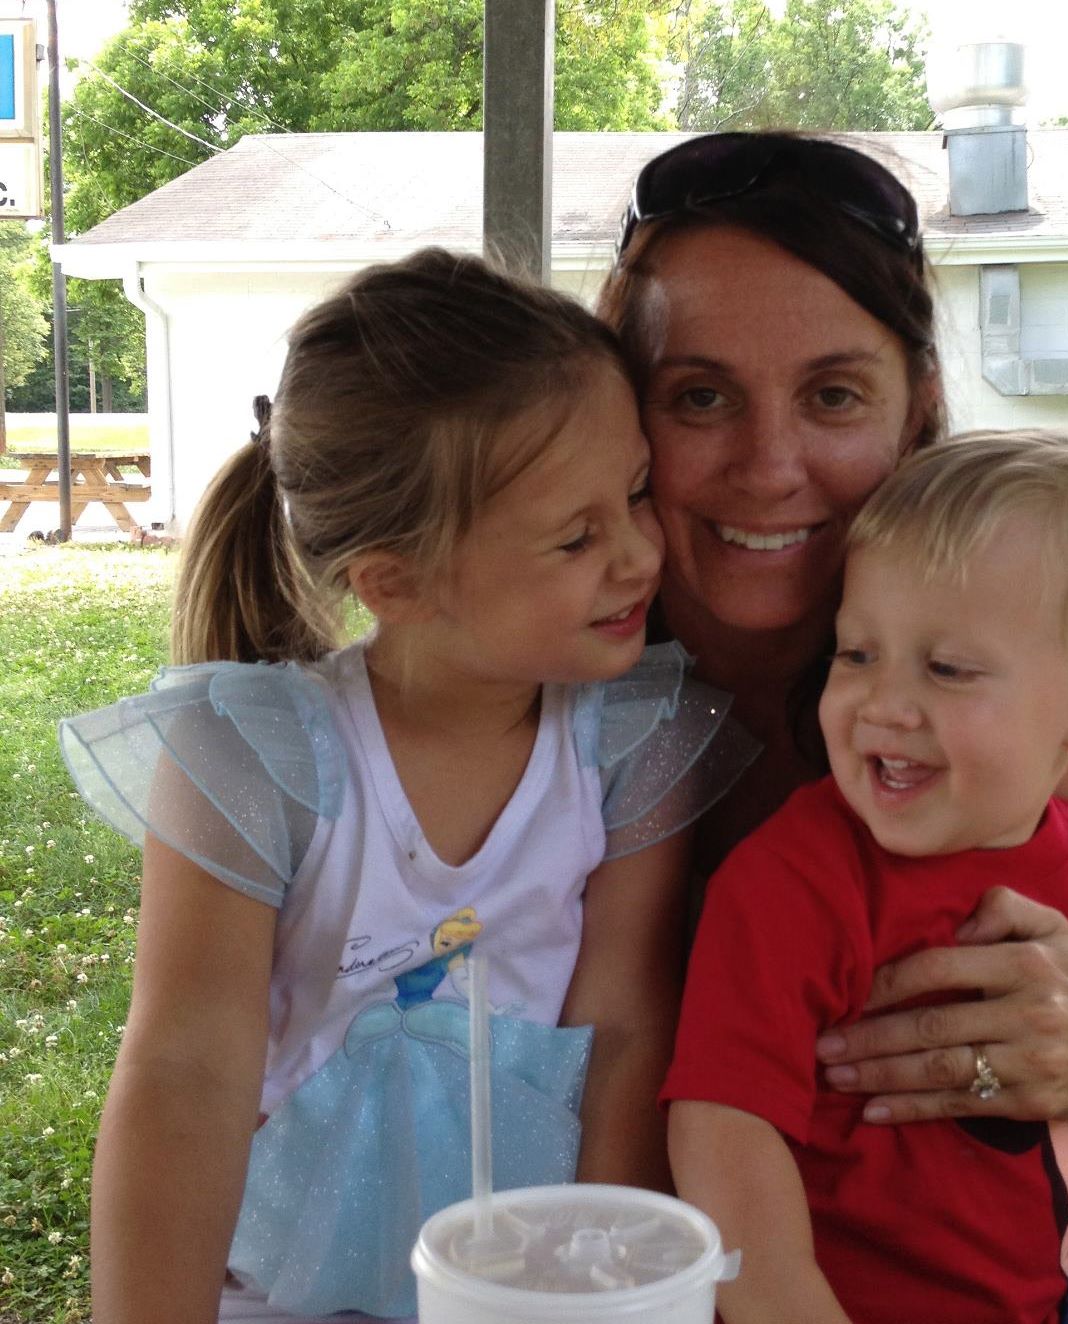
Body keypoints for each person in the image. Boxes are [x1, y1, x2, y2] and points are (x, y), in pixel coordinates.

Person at [599, 132, 1068, 1316]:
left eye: (833, 394)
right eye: (700, 396)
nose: (769, 466)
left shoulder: (1042, 745)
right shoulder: (547, 711)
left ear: (917, 407)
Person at [59, 249, 753, 1324]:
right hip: (277, 1290)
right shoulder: (256, 759)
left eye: (632, 496)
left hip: (532, 1283)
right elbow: (186, 1070)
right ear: (396, 580)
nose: (638, 555)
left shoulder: (627, 743)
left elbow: (624, 1030)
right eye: (577, 537)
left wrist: (590, 1293)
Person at [662, 430, 1068, 1324]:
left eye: (946, 668)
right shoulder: (792, 880)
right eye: (855, 654)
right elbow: (723, 1133)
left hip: (1056, 1287)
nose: (883, 702)